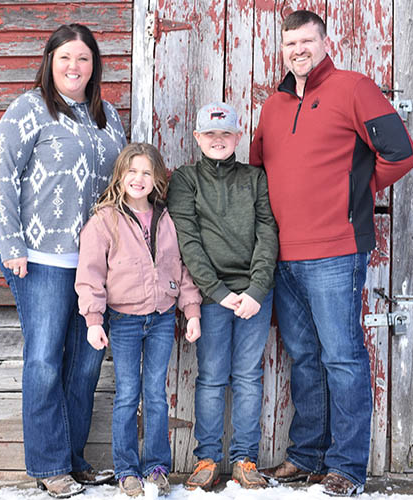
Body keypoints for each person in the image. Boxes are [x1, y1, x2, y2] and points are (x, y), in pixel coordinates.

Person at [249, 10, 413, 497]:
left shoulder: (354, 87)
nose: (298, 50)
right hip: (284, 254)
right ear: (281, 50)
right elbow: (262, 174)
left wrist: (356, 195)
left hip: (336, 250)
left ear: (325, 42)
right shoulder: (273, 107)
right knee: (303, 357)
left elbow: (400, 153)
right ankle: (306, 456)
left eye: (306, 41)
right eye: (289, 44)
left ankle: (346, 466)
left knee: (342, 357)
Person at [0, 24, 127, 498]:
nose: (75, 67)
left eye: (84, 59)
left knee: (86, 364)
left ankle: (72, 458)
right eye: (66, 57)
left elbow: (120, 186)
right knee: (46, 360)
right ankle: (49, 465)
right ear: (50, 60)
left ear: (95, 66)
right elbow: (4, 177)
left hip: (95, 264)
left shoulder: (106, 115)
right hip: (41, 259)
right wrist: (11, 244)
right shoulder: (28, 109)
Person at [75, 142, 202, 497]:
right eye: (132, 171)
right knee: (128, 395)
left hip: (162, 318)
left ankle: (156, 466)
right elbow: (90, 273)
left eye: (147, 172)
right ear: (120, 176)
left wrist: (191, 311)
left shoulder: (167, 218)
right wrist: (94, 319)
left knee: (156, 395)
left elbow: (183, 267)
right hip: (125, 319)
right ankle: (127, 470)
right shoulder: (105, 220)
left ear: (157, 178)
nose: (139, 178)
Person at [167, 102, 279, 491]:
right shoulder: (186, 180)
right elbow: (188, 240)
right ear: (198, 138)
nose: (218, 141)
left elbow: (268, 233)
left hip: (252, 295)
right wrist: (216, 291)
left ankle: (245, 458)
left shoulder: (255, 179)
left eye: (226, 134)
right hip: (211, 295)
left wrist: (256, 289)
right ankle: (207, 457)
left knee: (248, 376)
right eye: (210, 135)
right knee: (212, 378)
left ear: (238, 137)